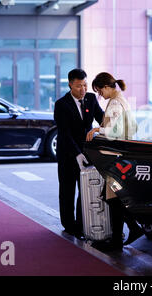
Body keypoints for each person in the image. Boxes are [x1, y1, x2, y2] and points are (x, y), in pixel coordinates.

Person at [86, 72, 143, 251]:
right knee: (112, 197)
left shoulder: (116, 103)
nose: (100, 96)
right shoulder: (120, 100)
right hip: (121, 157)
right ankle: (130, 230)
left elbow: (114, 131)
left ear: (106, 87)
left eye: (99, 91)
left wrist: (97, 129)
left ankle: (119, 239)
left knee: (114, 199)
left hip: (116, 158)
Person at [54, 68, 104, 240]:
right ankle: (69, 225)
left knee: (85, 189)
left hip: (87, 151)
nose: (82, 89)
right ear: (70, 85)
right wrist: (77, 154)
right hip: (68, 154)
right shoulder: (61, 104)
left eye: (85, 85)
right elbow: (65, 134)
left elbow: (102, 118)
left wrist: (105, 128)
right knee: (68, 189)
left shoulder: (90, 98)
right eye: (78, 86)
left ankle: (82, 223)